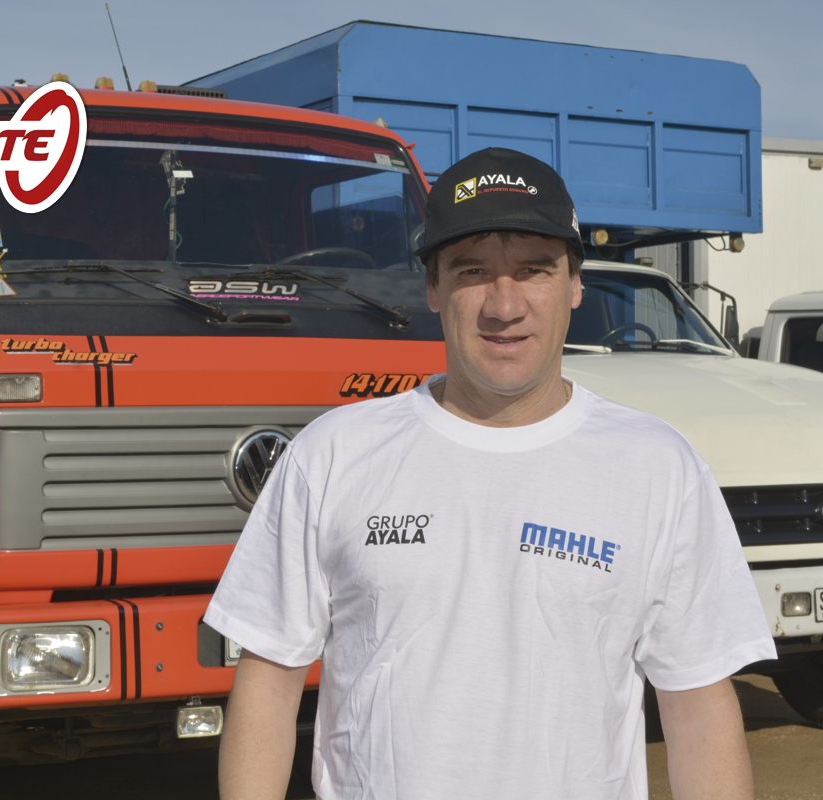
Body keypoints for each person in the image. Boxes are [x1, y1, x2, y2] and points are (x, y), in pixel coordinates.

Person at [205, 148, 775, 800]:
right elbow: (269, 683)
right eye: (473, 271)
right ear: (432, 288)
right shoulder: (333, 456)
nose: (504, 306)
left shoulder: (659, 468)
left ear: (575, 285)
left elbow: (698, 707)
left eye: (534, 270)